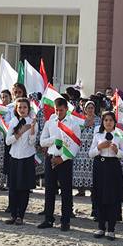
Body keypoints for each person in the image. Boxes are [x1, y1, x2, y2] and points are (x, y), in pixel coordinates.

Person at [39, 96, 81, 231]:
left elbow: (75, 146)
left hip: (65, 160)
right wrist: (55, 138)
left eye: (61, 110)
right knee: (49, 190)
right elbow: (42, 141)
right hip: (51, 158)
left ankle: (65, 220)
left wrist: (62, 158)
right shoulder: (50, 122)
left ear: (66, 109)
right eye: (56, 110)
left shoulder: (73, 124)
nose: (58, 113)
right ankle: (48, 218)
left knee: (66, 191)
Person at [90, 110, 123, 240]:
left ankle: (111, 229)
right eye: (106, 120)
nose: (108, 122)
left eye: (111, 120)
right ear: (102, 122)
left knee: (112, 198)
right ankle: (101, 227)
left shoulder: (119, 135)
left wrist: (117, 151)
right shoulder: (98, 135)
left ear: (114, 122)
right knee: (100, 196)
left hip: (113, 167)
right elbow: (90, 153)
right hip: (100, 166)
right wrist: (99, 147)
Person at [5, 97, 37, 225]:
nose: (22, 110)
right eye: (20, 107)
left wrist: (32, 129)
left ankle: (20, 215)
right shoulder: (13, 121)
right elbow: (8, 141)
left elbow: (32, 142)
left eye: (25, 107)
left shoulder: (32, 122)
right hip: (14, 157)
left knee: (24, 188)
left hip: (27, 157)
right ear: (16, 109)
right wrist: (19, 133)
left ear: (28, 109)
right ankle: (13, 214)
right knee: (13, 188)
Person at [73, 100, 97, 215]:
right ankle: (81, 190)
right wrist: (84, 125)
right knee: (80, 171)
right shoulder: (80, 120)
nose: (90, 110)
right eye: (88, 108)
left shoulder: (99, 120)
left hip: (92, 150)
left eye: (92, 107)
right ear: (85, 109)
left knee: (92, 174)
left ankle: (92, 193)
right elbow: (75, 132)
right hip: (81, 150)